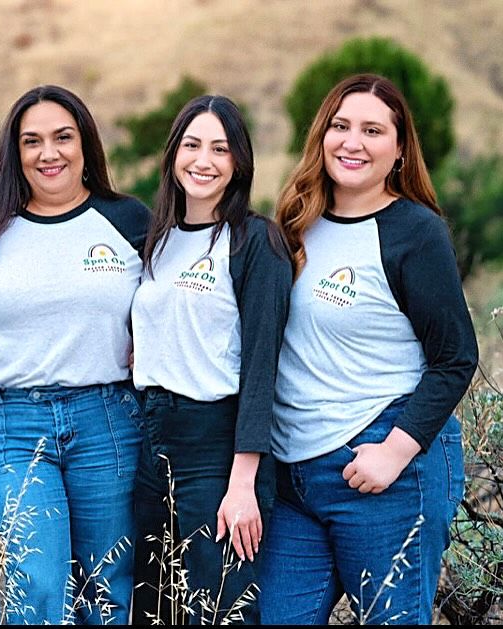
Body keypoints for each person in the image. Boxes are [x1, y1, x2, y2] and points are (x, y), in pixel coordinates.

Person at [254, 74, 478, 625]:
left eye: (373, 131)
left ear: (399, 150)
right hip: (291, 479)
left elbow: (456, 356)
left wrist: (395, 453)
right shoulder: (295, 221)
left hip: (379, 468)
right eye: (340, 126)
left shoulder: (414, 232)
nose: (353, 142)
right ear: (321, 136)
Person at [0, 84, 150, 625]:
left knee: (107, 585)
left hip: (106, 419)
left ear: (85, 143)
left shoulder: (129, 220)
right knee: (38, 585)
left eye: (63, 137)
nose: (49, 153)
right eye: (31, 141)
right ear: (14, 153)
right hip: (7, 423)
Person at [129, 95, 292, 625]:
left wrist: (243, 482)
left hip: (217, 450)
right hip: (148, 443)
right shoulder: (154, 240)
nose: (204, 160)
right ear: (173, 154)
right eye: (192, 145)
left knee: (218, 611)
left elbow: (262, 366)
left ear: (239, 163)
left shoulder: (254, 241)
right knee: (153, 609)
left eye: (220, 149)